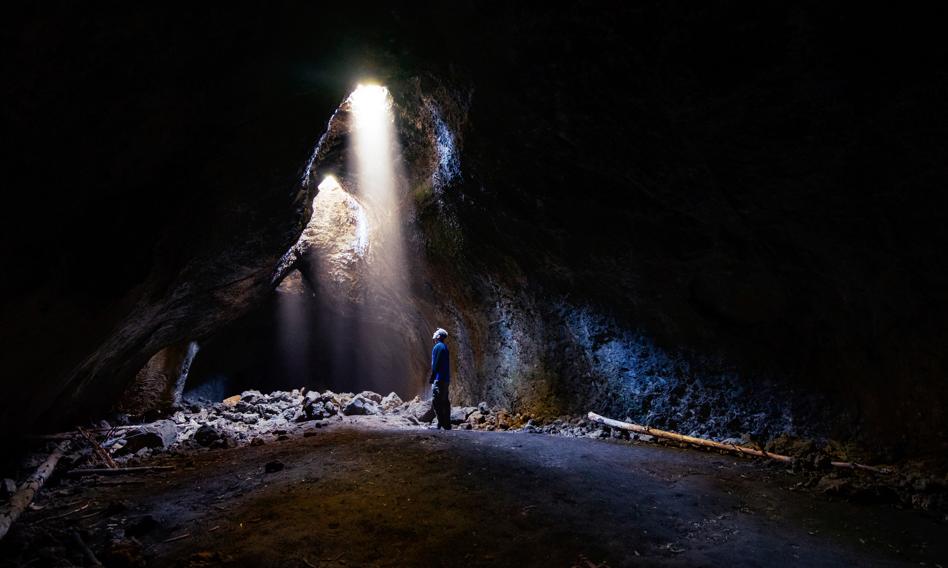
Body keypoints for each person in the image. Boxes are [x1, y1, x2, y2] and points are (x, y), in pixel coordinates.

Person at [428, 328, 451, 430]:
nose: (434, 334)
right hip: (445, 379)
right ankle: (446, 423)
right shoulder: (445, 347)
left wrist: (432, 377)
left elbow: (436, 364)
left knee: (436, 401)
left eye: (435, 333)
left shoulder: (437, 347)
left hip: (439, 379)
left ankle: (441, 423)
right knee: (445, 401)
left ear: (438, 336)